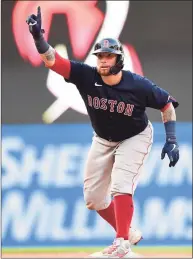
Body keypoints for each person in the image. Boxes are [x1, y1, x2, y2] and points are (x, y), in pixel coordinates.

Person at [26, 7, 180, 258]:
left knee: (121, 185)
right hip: (103, 139)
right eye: (100, 56)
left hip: (135, 136)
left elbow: (166, 104)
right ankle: (127, 231)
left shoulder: (137, 84)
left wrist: (171, 139)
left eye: (108, 56)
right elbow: (53, 61)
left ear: (119, 59)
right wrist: (39, 40)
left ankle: (121, 242)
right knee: (94, 199)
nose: (103, 61)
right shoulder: (87, 76)